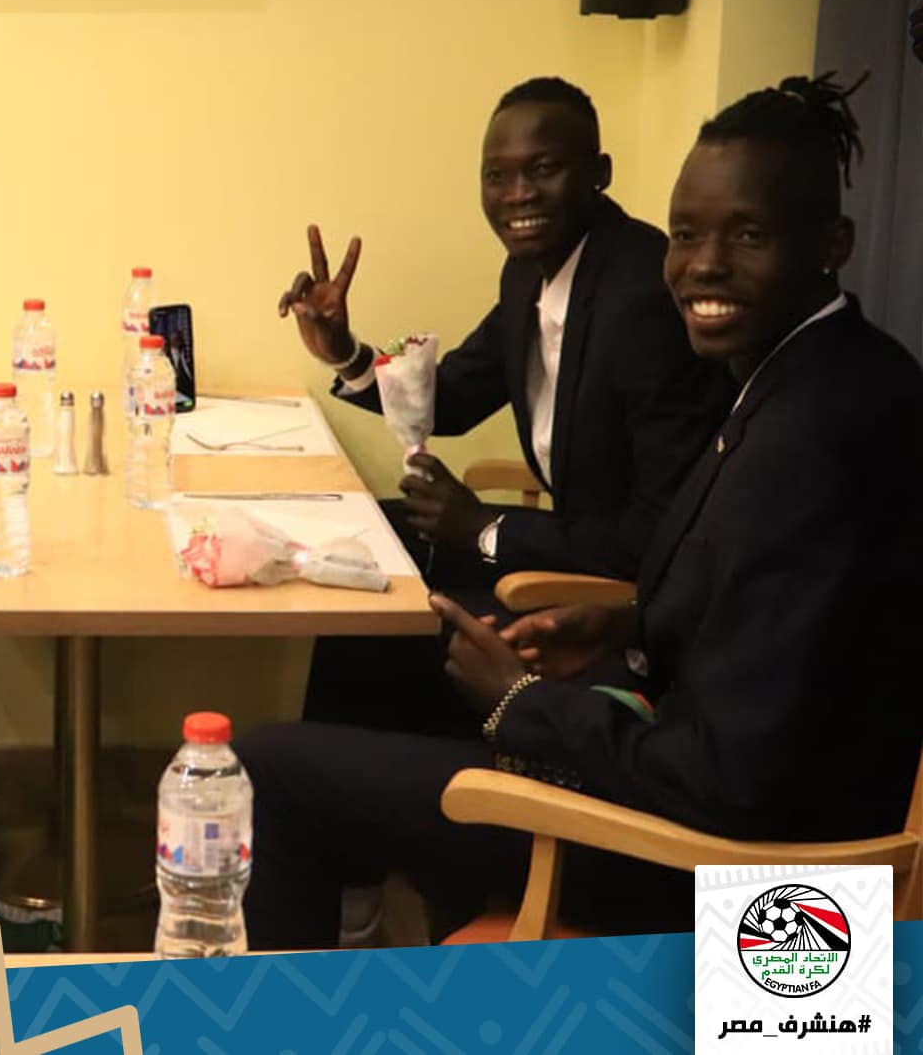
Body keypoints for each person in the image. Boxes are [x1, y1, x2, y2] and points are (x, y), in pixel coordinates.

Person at [236, 74, 923, 951]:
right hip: (688, 769)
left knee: (264, 772)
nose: (703, 266)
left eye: (747, 235)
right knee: (400, 639)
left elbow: (726, 780)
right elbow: (760, 616)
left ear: (832, 245)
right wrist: (620, 627)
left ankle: (386, 958)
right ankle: (414, 935)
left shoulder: (815, 433)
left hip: (743, 884)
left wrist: (524, 705)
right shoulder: (812, 372)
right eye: (687, 235)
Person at [281, 77, 734, 734]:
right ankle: (332, 765)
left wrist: (486, 530)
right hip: (570, 545)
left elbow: (655, 534)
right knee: (367, 548)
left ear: (599, 173)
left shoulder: (640, 293)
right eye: (497, 176)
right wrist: (346, 353)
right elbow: (456, 395)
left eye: (543, 169)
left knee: (381, 622)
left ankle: (349, 770)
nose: (517, 194)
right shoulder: (530, 271)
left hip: (610, 594)